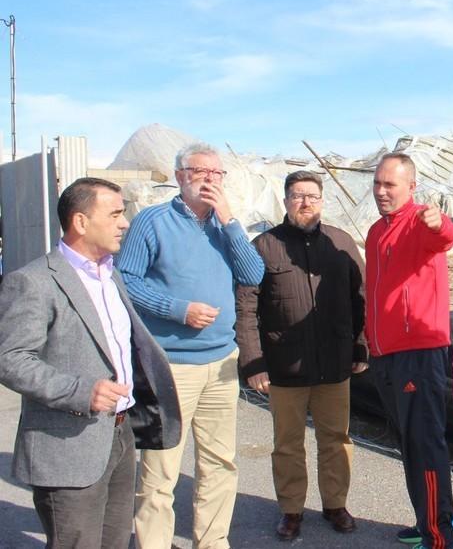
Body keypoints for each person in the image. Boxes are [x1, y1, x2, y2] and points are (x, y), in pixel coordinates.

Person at [0, 178, 181, 548]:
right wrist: (81, 391)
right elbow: (10, 359)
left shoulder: (110, 275)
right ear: (81, 222)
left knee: (114, 541)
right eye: (115, 214)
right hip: (67, 446)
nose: (125, 222)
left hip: (118, 433)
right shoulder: (33, 281)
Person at [117, 142, 265, 549]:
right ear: (180, 175)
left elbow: (253, 274)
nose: (209, 180)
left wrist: (231, 221)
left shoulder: (225, 227)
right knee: (160, 467)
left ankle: (212, 542)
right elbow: (126, 280)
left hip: (220, 363)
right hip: (170, 364)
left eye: (217, 174)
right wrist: (178, 309)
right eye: (200, 172)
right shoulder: (153, 221)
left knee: (219, 463)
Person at [235, 170, 368, 541]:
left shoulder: (341, 244)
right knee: (288, 443)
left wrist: (360, 346)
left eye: (312, 195)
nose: (305, 202)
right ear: (286, 201)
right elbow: (246, 308)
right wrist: (253, 361)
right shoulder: (264, 246)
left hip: (334, 365)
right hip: (284, 366)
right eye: (297, 195)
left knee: (336, 439)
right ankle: (291, 510)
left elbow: (361, 299)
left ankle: (335, 505)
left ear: (322, 201)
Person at [365, 152, 453, 549]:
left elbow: (445, 236)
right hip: (386, 352)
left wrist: (440, 222)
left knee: (425, 442)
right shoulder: (376, 230)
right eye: (377, 184)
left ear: (411, 186)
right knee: (409, 441)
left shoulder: (419, 221)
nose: (382, 191)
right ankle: (431, 521)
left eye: (391, 184)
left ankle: (440, 536)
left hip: (418, 351)